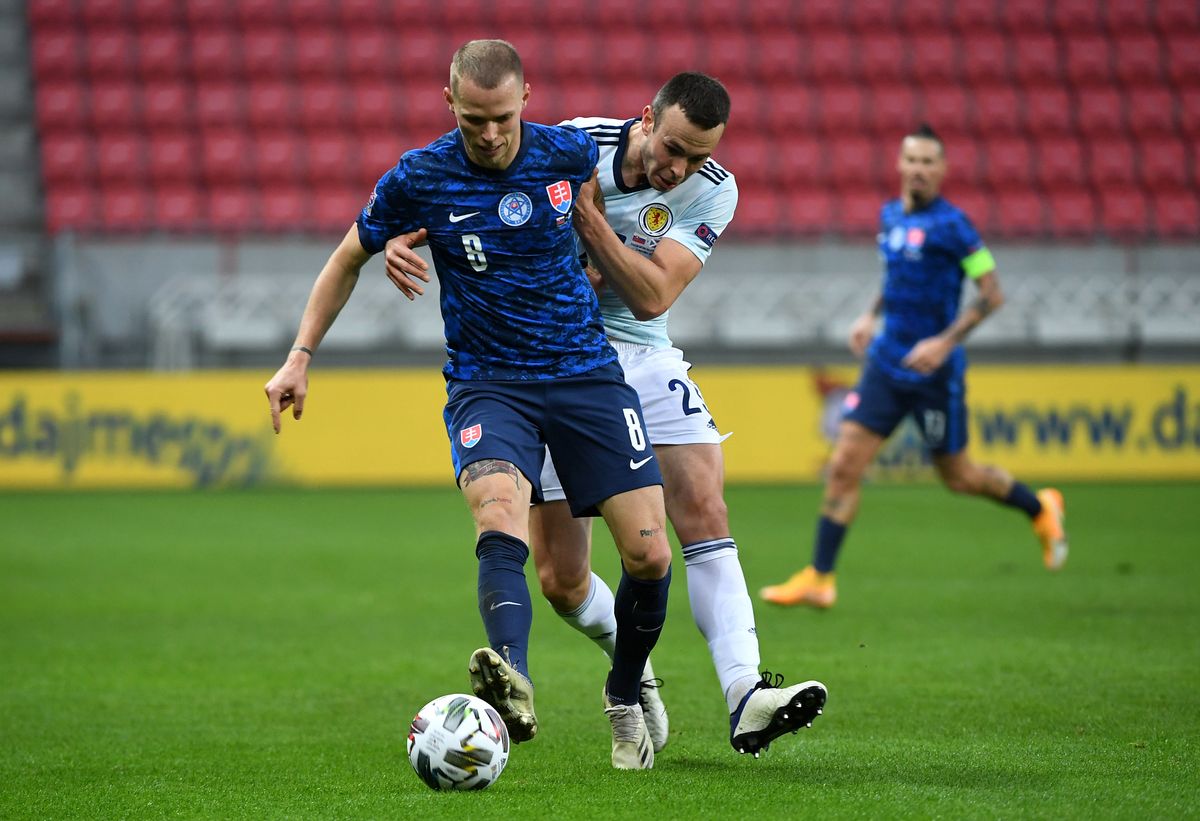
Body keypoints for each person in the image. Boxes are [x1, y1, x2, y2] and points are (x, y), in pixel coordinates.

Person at [384, 73, 827, 758]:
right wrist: (397, 238)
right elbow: (472, 193)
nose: (678, 169)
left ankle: (745, 691)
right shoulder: (575, 144)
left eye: (696, 157)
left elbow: (652, 297)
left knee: (703, 510)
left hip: (644, 358)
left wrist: (591, 225)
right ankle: (631, 661)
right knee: (561, 578)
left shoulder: (715, 190)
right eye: (672, 148)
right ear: (644, 118)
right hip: (556, 360)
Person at [264, 40, 672, 770]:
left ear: (527, 100)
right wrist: (299, 356)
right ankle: (508, 680)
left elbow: (589, 222)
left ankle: (622, 691)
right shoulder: (419, 176)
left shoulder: (567, 154)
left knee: (647, 553)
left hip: (585, 374)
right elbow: (346, 256)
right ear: (449, 103)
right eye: (475, 119)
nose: (489, 134)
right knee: (496, 510)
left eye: (503, 118)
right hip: (490, 382)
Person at [759, 124, 1069, 610]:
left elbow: (992, 295)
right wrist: (870, 314)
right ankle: (820, 577)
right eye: (913, 160)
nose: (920, 169)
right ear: (900, 165)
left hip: (934, 375)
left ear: (942, 170)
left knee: (959, 476)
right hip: (886, 363)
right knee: (843, 466)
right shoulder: (889, 216)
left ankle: (1040, 507)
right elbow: (896, 274)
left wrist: (944, 344)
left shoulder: (955, 227)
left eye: (929, 161)